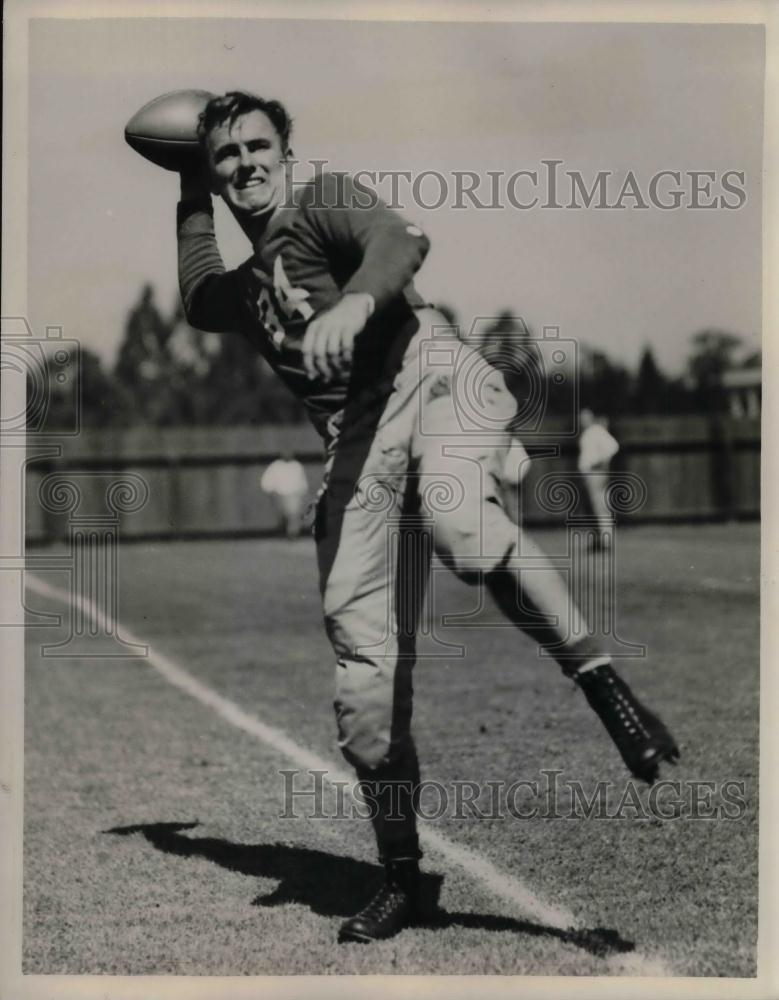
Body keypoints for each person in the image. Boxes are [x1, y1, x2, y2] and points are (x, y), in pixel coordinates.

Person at [173, 90, 679, 943]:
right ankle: (402, 877)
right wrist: (186, 189)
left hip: (427, 373)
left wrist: (355, 303)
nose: (246, 164)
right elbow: (195, 294)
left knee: (459, 523)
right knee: (361, 686)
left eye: (259, 147)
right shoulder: (243, 282)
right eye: (227, 156)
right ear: (216, 176)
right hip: (354, 443)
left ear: (287, 154)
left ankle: (602, 685)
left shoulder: (320, 200)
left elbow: (400, 240)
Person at [577, 409, 620, 550]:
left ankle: (605, 541)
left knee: (600, 508)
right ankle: (599, 540)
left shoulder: (596, 430)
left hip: (596, 473)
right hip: (590, 474)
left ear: (591, 418)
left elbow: (612, 446)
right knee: (594, 509)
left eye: (585, 418)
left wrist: (601, 463)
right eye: (581, 418)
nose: (582, 421)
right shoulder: (588, 433)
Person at [260, 450, 308, 538]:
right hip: (280, 495)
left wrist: (302, 492)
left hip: (294, 495)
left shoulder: (296, 466)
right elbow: (267, 480)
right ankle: (283, 533)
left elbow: (302, 481)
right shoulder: (276, 466)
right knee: (283, 516)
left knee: (294, 515)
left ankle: (292, 535)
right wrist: (270, 491)